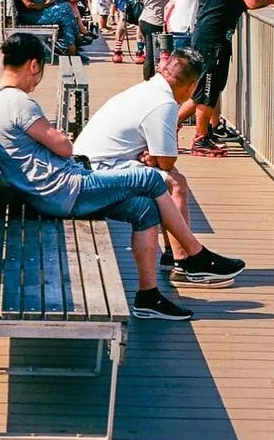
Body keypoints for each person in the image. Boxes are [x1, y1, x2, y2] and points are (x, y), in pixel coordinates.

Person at [0, 33, 244, 320]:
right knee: (153, 180)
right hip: (64, 189)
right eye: (41, 72)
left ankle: (148, 297)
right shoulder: (18, 102)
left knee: (144, 209)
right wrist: (58, 137)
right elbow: (63, 145)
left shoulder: (1, 99)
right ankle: (195, 256)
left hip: (56, 188)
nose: (38, 82)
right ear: (33, 65)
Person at [74, 48, 217, 275]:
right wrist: (154, 156)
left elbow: (159, 158)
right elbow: (167, 162)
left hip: (86, 164)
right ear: (191, 86)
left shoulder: (148, 89)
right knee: (175, 183)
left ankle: (176, 255)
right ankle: (184, 259)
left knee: (167, 179)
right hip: (94, 174)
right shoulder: (164, 103)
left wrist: (152, 155)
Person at [188, 0, 274, 158]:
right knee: (207, 91)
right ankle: (199, 139)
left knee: (209, 90)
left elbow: (240, 2)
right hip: (212, 39)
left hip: (213, 37)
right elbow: (251, 3)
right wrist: (270, 0)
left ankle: (171, 130)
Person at [137, 0, 182, 78]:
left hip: (147, 19)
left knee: (151, 56)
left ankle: (148, 82)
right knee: (153, 58)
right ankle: (149, 83)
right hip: (154, 21)